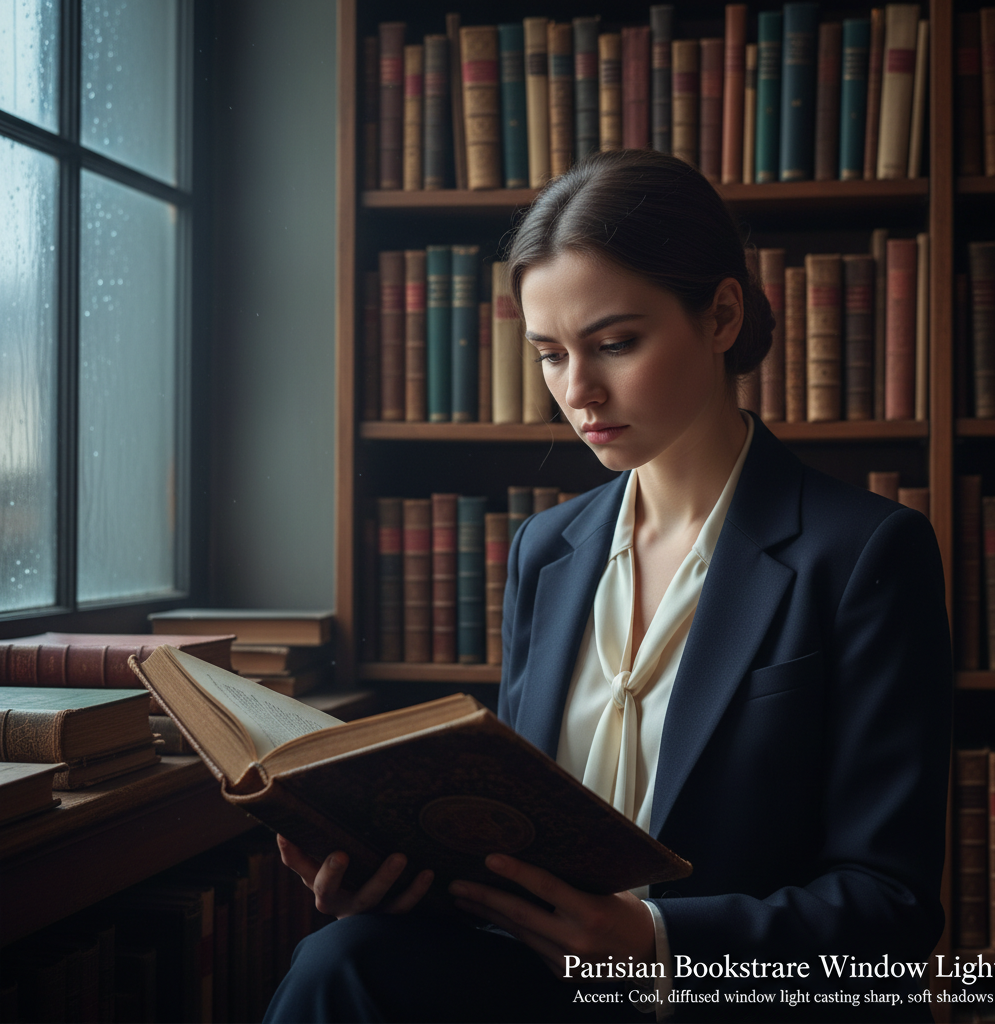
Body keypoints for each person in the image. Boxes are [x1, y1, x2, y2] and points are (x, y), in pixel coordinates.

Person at [264, 150, 952, 1023]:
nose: (578, 391)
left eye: (615, 343)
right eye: (550, 354)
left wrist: (655, 947)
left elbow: (889, 910)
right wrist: (393, 872)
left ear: (722, 315)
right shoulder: (545, 549)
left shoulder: (866, 552)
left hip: (729, 1001)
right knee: (343, 959)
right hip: (546, 985)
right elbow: (515, 831)